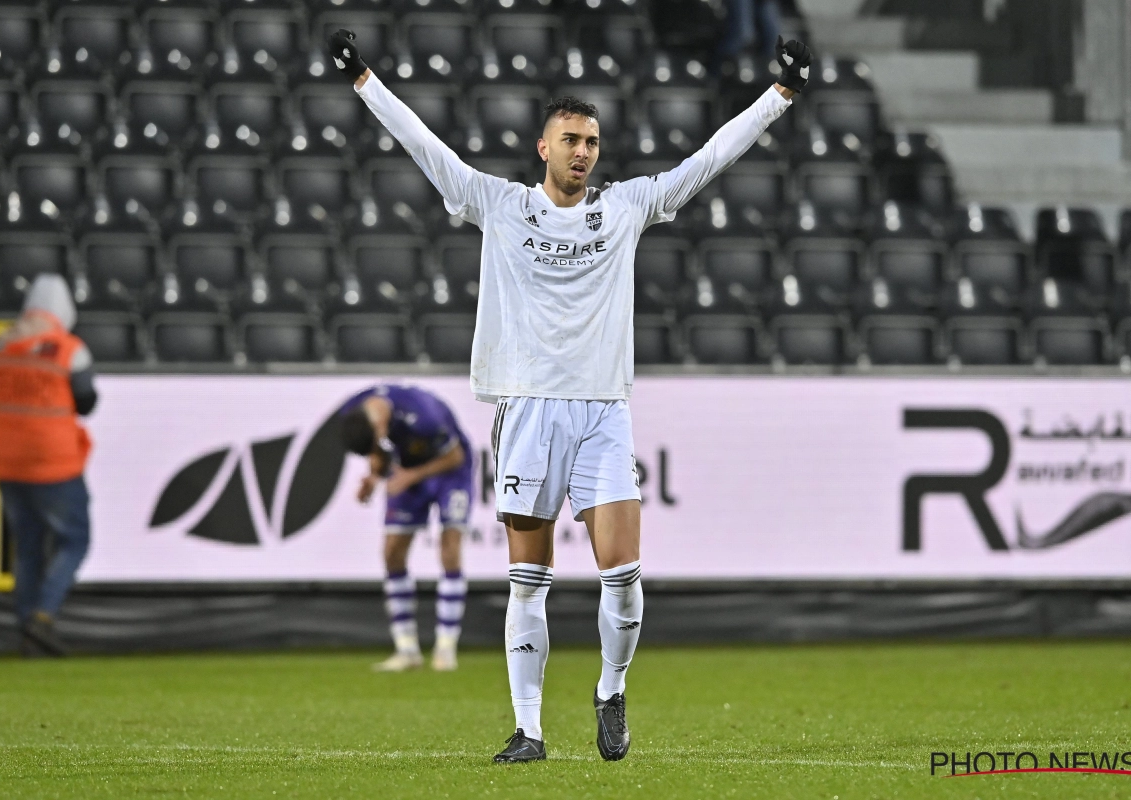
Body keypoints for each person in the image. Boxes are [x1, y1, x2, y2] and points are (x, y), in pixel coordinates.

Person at [327, 29, 811, 762]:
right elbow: (423, 144)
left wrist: (779, 97)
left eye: (591, 140)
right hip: (525, 411)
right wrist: (363, 78)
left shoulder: (625, 208)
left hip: (602, 412)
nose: (583, 151)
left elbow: (710, 158)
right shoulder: (498, 204)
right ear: (542, 149)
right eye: (570, 139)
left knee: (622, 573)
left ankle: (611, 692)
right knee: (530, 580)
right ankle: (529, 731)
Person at [0, 275, 97, 657]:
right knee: (74, 539)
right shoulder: (68, 349)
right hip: (54, 460)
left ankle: (24, 624)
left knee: (28, 547)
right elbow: (86, 401)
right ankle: (42, 617)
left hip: (9, 460)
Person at [338, 384, 473, 672]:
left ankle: (446, 648)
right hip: (406, 468)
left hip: (449, 470)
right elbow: (378, 451)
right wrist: (374, 477)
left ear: (379, 426)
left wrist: (410, 476)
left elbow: (455, 456)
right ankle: (407, 650)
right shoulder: (353, 410)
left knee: (449, 547)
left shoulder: (424, 415)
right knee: (392, 553)